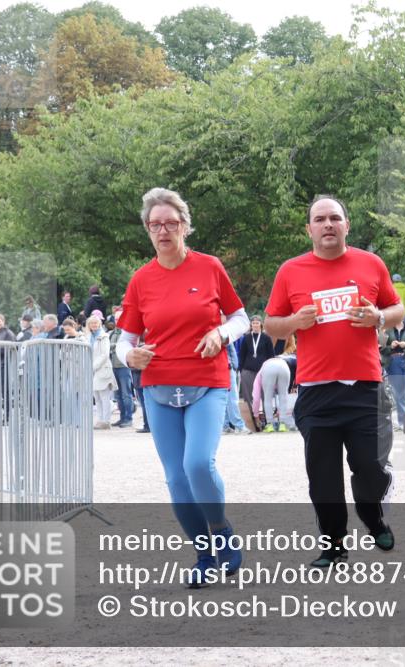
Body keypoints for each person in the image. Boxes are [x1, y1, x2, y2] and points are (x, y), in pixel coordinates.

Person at [116, 187, 250, 586]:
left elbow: (241, 317)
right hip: (157, 385)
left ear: (185, 227)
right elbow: (124, 339)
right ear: (147, 230)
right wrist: (129, 357)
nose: (163, 231)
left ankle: (221, 529)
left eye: (171, 223)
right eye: (155, 225)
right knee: (175, 477)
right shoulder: (140, 279)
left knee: (197, 464)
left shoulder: (209, 267)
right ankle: (204, 556)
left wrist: (222, 334)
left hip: (206, 380)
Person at [264, 194, 403, 568]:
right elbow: (271, 323)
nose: (328, 225)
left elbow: (397, 309)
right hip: (316, 390)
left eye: (335, 218)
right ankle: (334, 546)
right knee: (323, 477)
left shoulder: (370, 263)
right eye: (320, 219)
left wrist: (377, 316)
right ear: (308, 228)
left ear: (347, 225)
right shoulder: (290, 270)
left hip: (365, 387)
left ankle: (373, 517)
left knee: (371, 469)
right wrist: (295, 323)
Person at [379, 315, 405, 429]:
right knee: (399, 394)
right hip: (393, 363)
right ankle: (403, 422)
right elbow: (381, 348)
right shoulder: (386, 329)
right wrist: (390, 346)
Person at [254, 337, 297, 432]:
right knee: (283, 395)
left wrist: (256, 414)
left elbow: (256, 397)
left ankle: (270, 425)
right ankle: (282, 424)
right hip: (284, 366)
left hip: (270, 368)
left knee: (268, 397)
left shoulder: (260, 373)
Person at [238, 316, 274, 424]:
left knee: (265, 394)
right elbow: (242, 355)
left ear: (261, 324)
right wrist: (241, 370)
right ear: (251, 325)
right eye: (253, 323)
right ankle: (252, 419)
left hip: (263, 371)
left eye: (257, 323)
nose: (255, 325)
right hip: (248, 370)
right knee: (249, 395)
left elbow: (271, 355)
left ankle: (268, 419)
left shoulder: (266, 338)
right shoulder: (246, 338)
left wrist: (270, 369)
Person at [84, 315, 116, 429]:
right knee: (96, 397)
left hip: (102, 369)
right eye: (91, 323)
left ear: (99, 324)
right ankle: (100, 419)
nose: (94, 325)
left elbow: (105, 354)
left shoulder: (104, 336)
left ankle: (106, 421)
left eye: (96, 323)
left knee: (104, 396)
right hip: (92, 370)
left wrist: (93, 366)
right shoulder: (88, 337)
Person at [109, 311, 135, 428]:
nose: (117, 321)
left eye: (119, 319)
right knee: (118, 395)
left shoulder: (127, 333)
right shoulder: (112, 333)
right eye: (115, 319)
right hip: (114, 366)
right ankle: (122, 417)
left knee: (126, 394)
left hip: (124, 367)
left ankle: (128, 418)